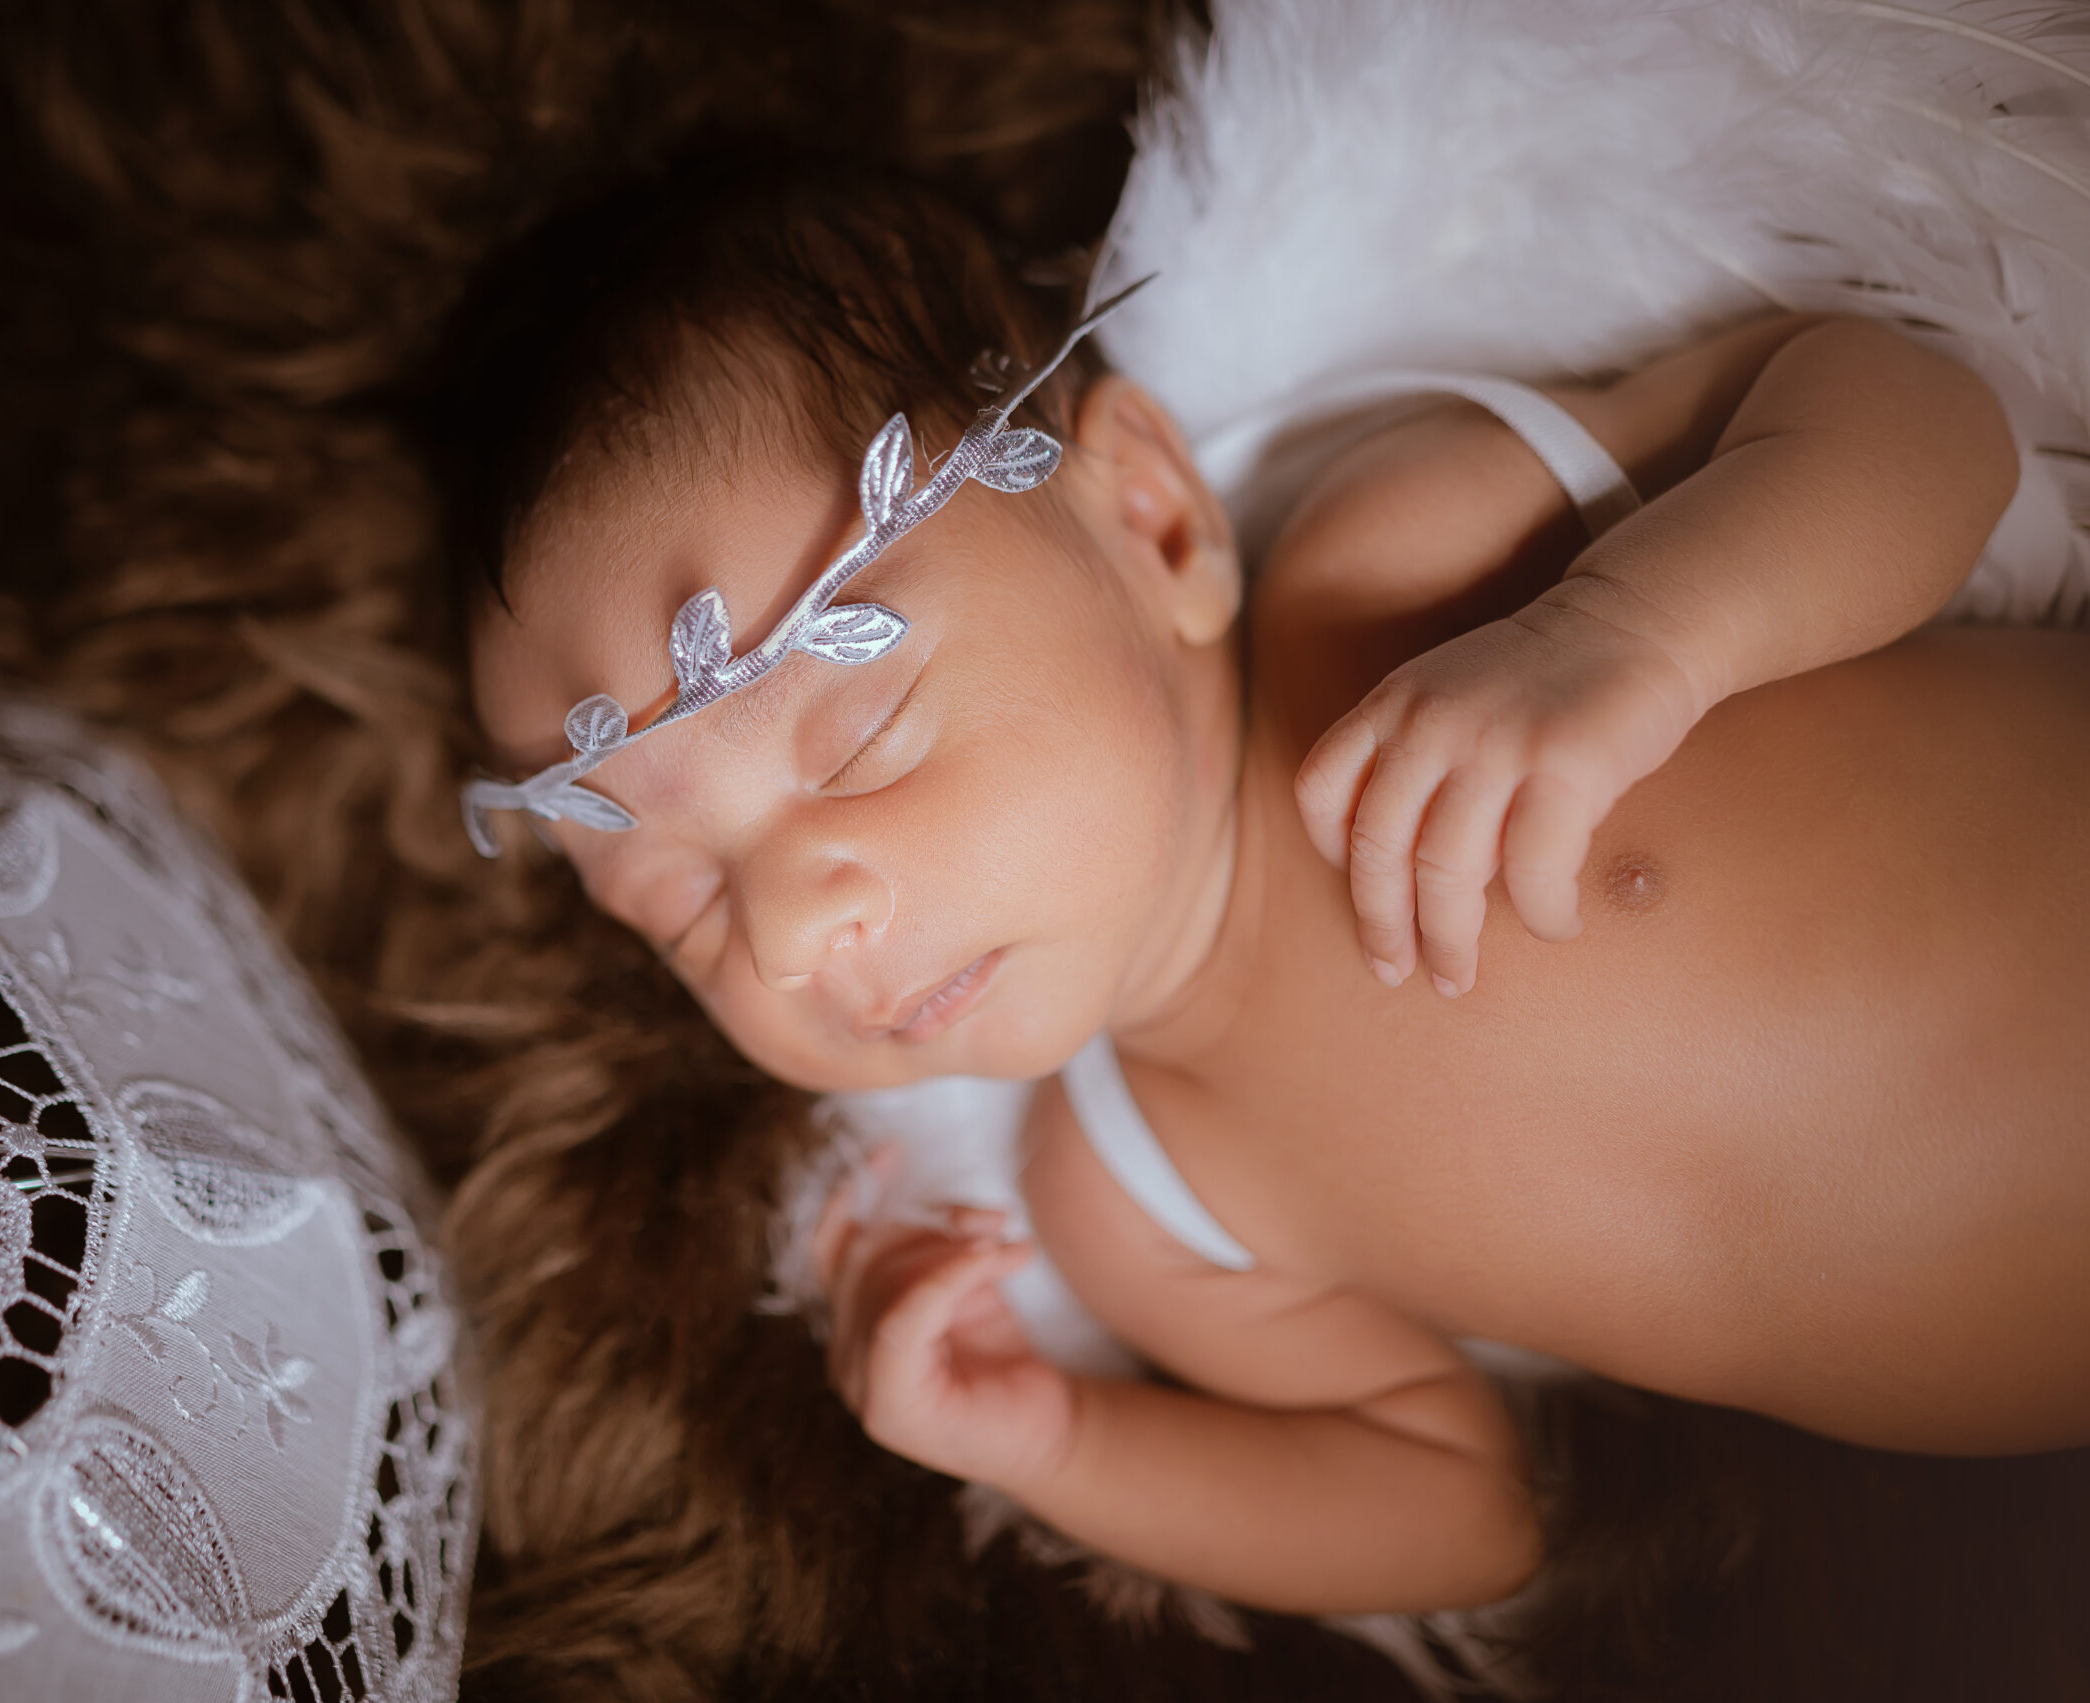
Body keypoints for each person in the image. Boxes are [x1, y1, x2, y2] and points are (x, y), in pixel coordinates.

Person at [430, 106, 2084, 1613]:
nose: (789, 934)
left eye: (860, 736)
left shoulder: (1398, 585)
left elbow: (1920, 417)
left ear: (1152, 523)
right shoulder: (1131, 1199)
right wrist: (1040, 1439)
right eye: (677, 906)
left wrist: (1639, 636)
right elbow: (1461, 1515)